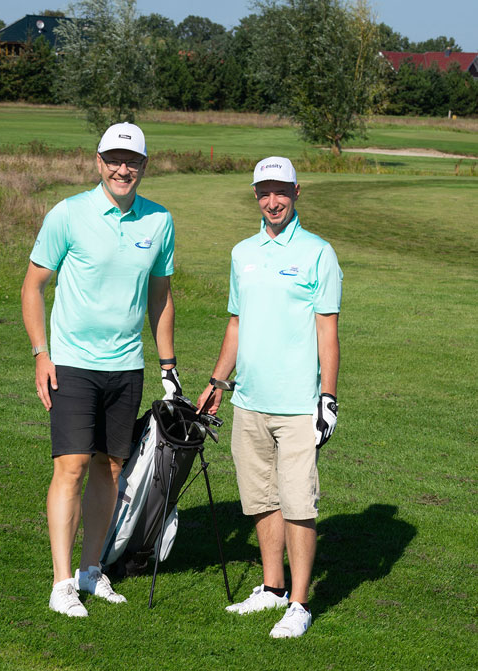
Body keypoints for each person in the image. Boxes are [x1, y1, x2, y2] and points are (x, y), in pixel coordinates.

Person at [21, 123, 182, 618]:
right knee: (70, 466)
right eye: (113, 159)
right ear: (98, 161)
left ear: (144, 166)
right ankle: (62, 582)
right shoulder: (69, 213)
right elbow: (33, 286)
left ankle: (91, 569)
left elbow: (160, 297)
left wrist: (169, 366)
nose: (122, 169)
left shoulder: (159, 221)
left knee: (109, 468)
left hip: (126, 365)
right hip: (71, 364)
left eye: (131, 161)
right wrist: (41, 353)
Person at [198, 156, 342, 639]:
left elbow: (328, 333)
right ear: (256, 195)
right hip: (249, 400)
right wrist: (218, 383)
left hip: (298, 404)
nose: (273, 201)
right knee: (260, 497)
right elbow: (236, 324)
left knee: (299, 503)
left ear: (297, 193)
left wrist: (328, 398)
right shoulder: (243, 252)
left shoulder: (319, 253)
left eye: (281, 192)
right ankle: (273, 587)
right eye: (265, 192)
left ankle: (299, 604)